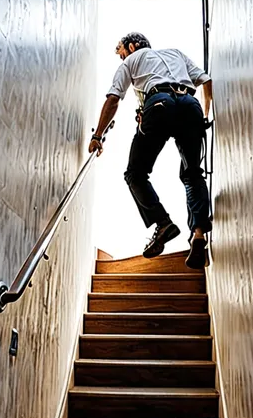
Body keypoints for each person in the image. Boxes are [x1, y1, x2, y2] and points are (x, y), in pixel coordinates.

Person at [89, 32, 213, 268]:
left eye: (122, 53)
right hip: (190, 106)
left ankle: (163, 223)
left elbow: (114, 99)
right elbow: (206, 81)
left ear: (132, 46)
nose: (122, 58)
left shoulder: (131, 61)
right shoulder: (175, 53)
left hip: (159, 104)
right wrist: (206, 116)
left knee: (135, 174)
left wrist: (98, 136)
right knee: (193, 174)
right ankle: (198, 233)